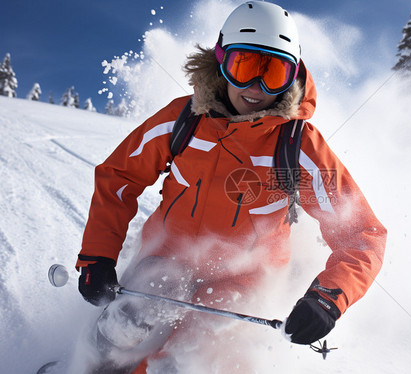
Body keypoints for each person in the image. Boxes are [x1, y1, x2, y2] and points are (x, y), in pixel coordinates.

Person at [76, 1, 386, 373]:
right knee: (122, 328)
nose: (256, 87)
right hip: (166, 256)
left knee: (189, 361)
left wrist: (328, 298)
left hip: (243, 279)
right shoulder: (184, 121)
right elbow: (119, 177)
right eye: (244, 66)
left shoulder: (297, 145)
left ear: (293, 78)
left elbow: (362, 233)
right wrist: (98, 255)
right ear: (221, 62)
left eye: (273, 73)